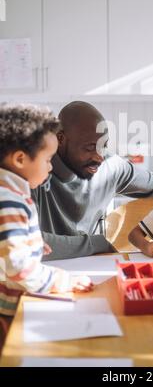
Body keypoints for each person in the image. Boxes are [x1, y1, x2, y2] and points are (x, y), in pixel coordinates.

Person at [32, 101, 153, 260]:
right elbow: (26, 243)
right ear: (60, 139)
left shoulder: (111, 166)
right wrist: (97, 244)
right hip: (45, 271)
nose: (99, 157)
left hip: (94, 265)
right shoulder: (32, 172)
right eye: (89, 147)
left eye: (104, 146)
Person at [0, 105, 93, 353]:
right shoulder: (10, 201)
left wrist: (33, 244)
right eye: (48, 159)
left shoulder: (8, 194)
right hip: (8, 312)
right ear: (20, 159)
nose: (51, 167)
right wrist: (64, 280)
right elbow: (19, 269)